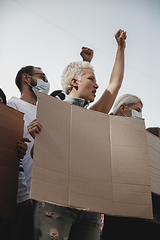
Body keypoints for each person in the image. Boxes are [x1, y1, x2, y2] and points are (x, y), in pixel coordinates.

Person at [34, 29, 127, 240]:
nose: (97, 85)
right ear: (74, 82)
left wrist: (121, 49)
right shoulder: (51, 111)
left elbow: (115, 84)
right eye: (91, 79)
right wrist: (38, 137)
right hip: (55, 202)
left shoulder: (93, 114)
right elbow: (35, 157)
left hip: (89, 206)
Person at [101, 94, 160, 240]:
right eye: (137, 110)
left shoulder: (139, 137)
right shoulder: (103, 128)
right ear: (122, 108)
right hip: (116, 205)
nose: (140, 116)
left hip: (141, 212)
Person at [7, 66, 49, 240]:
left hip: (43, 198)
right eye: (42, 77)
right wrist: (22, 195)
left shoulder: (46, 112)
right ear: (26, 78)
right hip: (20, 199)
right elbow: (11, 153)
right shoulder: (13, 106)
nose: (46, 83)